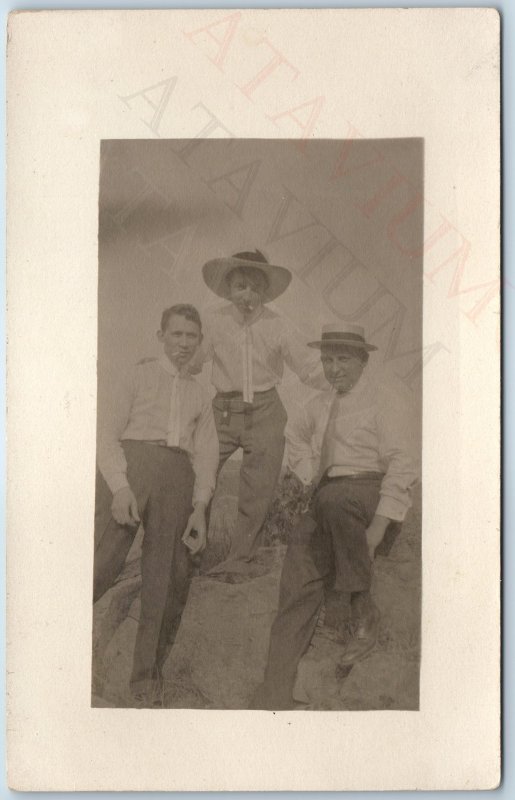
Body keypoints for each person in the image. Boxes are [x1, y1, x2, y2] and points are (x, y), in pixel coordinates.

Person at [251, 323, 418, 710]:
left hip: (368, 493)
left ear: (362, 360)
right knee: (298, 574)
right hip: (329, 500)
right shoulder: (319, 402)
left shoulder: (383, 399)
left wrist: (378, 527)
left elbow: (403, 464)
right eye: (327, 359)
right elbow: (294, 435)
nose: (334, 368)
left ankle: (363, 611)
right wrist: (310, 475)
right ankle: (273, 694)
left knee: (338, 499)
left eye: (343, 358)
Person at [93, 304, 219, 706]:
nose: (183, 343)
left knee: (166, 578)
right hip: (132, 468)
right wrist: (120, 488)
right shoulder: (137, 374)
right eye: (176, 334)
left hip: (177, 477)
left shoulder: (203, 392)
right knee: (100, 563)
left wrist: (199, 507)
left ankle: (144, 681)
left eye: (191, 336)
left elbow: (206, 454)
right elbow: (106, 434)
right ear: (160, 335)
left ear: (200, 341)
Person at [197, 249, 326, 575]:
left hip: (266, 410)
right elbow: (194, 359)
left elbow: (308, 367)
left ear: (265, 293)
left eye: (255, 288)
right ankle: (191, 555)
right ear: (227, 288)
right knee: (199, 474)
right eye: (240, 286)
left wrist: (340, 380)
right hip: (223, 411)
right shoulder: (213, 321)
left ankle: (239, 561)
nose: (248, 295)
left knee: (256, 490)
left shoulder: (278, 325)